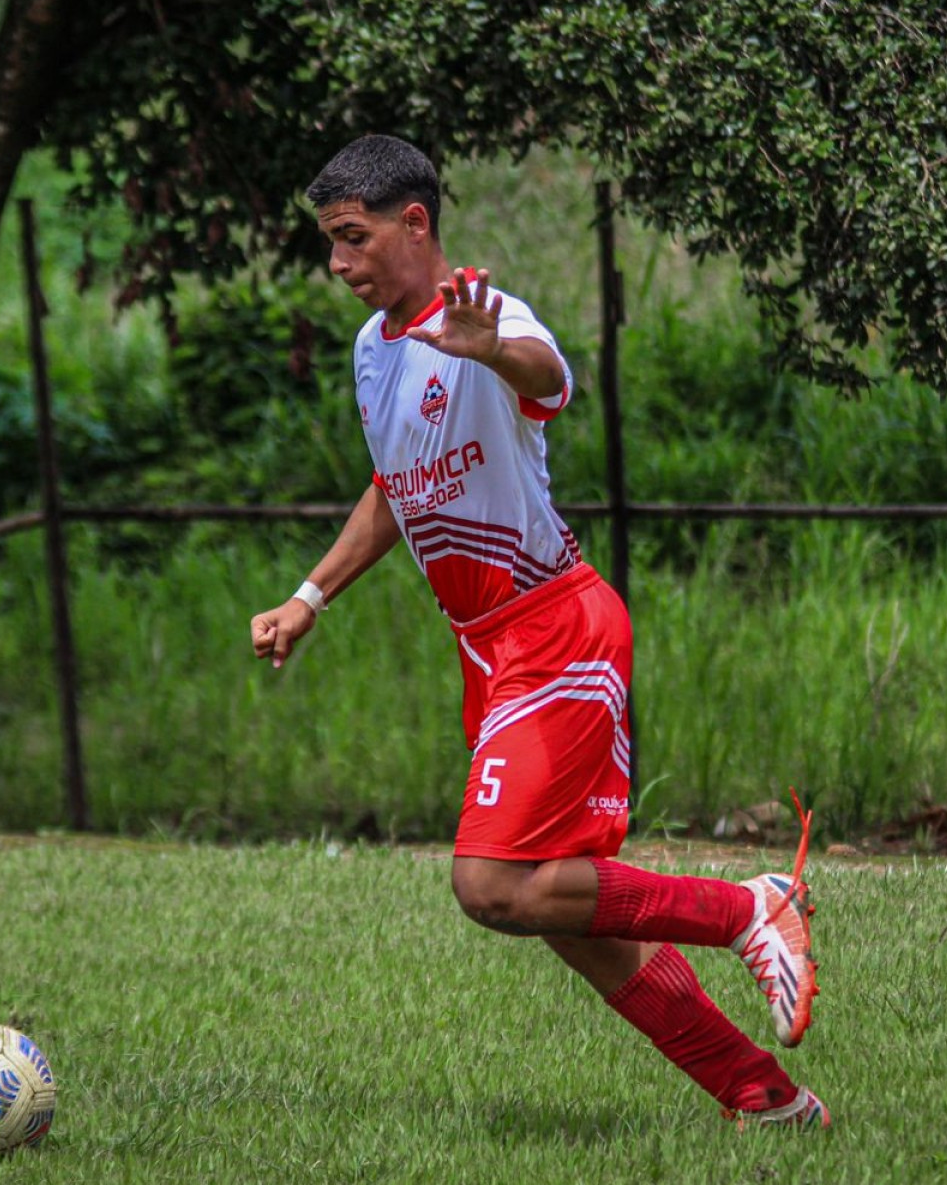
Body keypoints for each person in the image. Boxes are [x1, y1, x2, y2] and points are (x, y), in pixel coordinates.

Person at [250, 135, 828, 1128]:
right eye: (330, 244)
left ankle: (750, 909)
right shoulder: (369, 350)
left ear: (414, 223)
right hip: (490, 652)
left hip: (559, 633)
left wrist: (487, 348)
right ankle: (764, 1096)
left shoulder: (485, 313)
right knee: (568, 913)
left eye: (353, 239)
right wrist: (311, 595)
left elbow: (548, 375)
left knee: (490, 883)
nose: (339, 265)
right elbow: (398, 484)